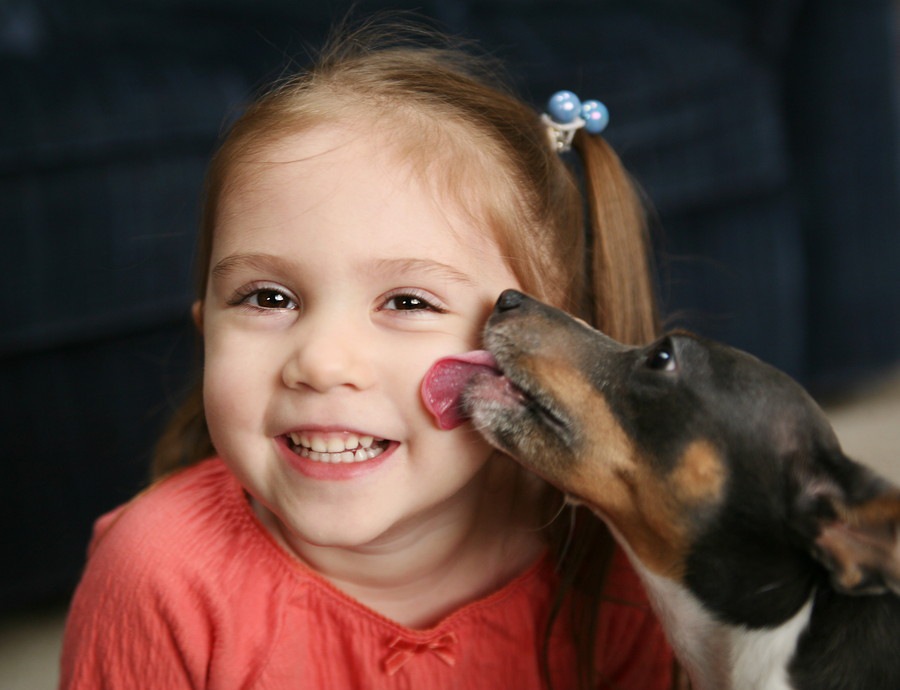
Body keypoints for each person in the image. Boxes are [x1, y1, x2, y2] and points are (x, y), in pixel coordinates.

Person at [59, 20, 674, 690]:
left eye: (408, 303)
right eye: (268, 298)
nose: (321, 362)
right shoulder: (157, 574)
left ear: (536, 351)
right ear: (207, 328)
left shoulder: (616, 562)